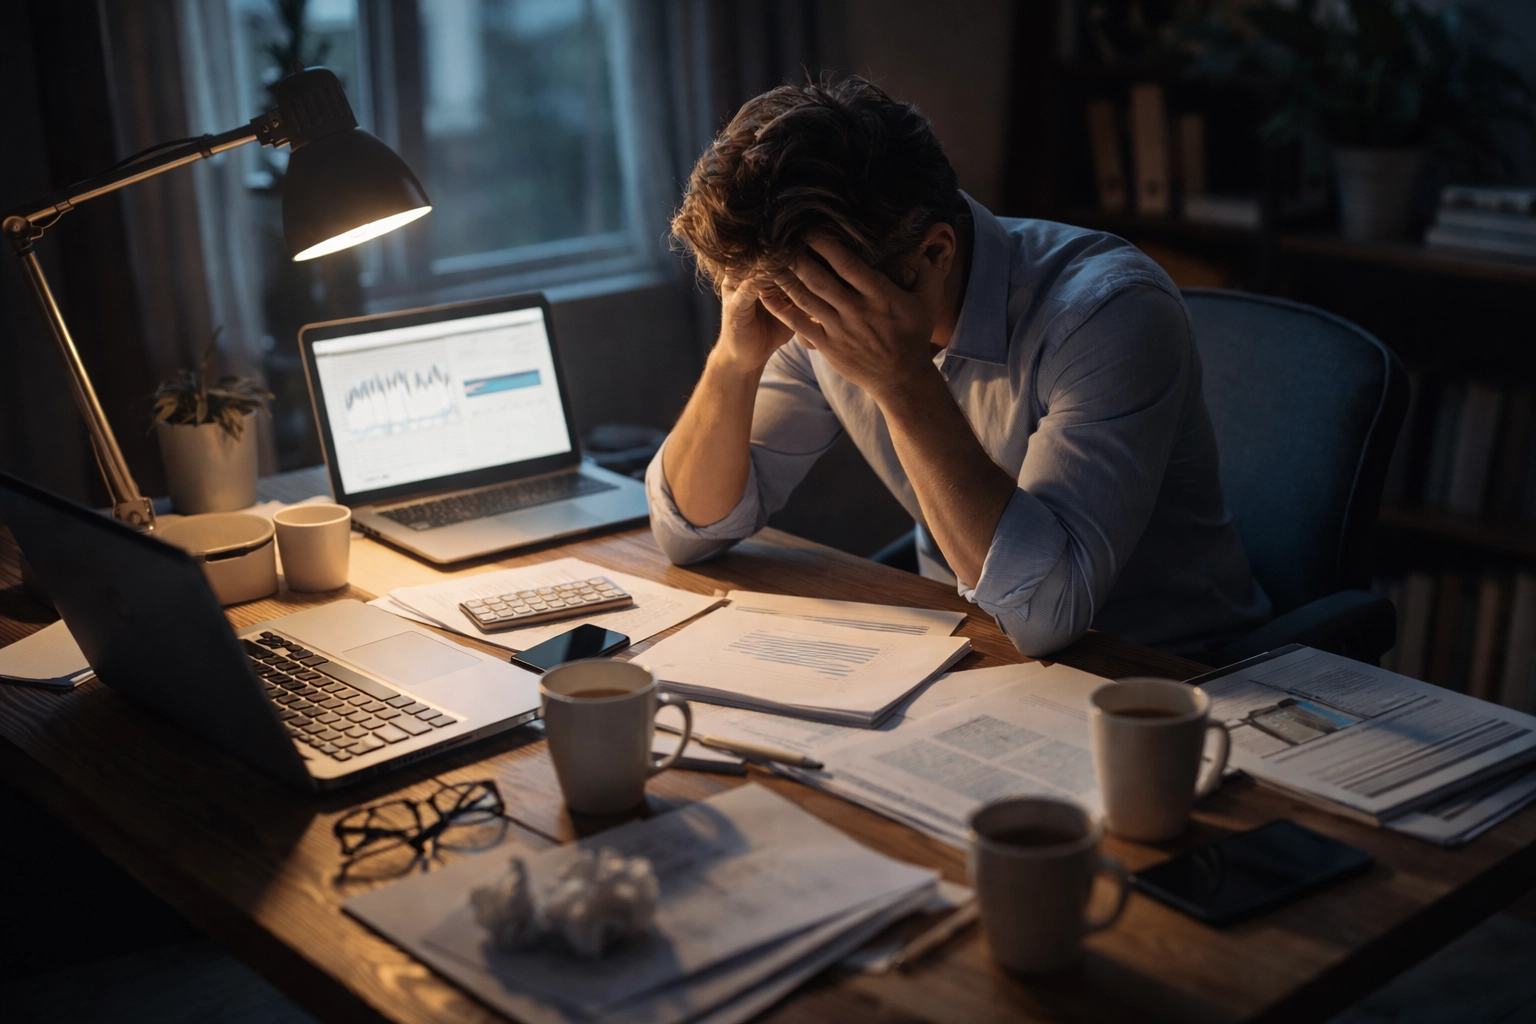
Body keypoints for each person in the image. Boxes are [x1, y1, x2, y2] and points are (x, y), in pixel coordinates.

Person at [647, 75, 1270, 658]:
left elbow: (1047, 614)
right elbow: (690, 531)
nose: (796, 326)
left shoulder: (1109, 312)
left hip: (1177, 673)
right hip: (973, 649)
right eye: (768, 293)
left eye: (808, 298)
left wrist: (902, 381)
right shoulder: (808, 304)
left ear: (934, 251)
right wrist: (735, 358)